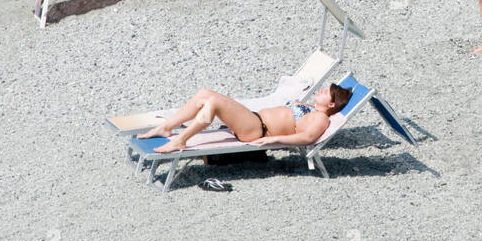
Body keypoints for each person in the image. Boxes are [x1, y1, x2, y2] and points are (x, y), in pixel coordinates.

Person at [137, 82, 353, 153]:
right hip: (253, 120)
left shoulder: (321, 118)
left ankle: (179, 140)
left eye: (327, 92)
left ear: (331, 104)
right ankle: (166, 127)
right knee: (205, 94)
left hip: (258, 130)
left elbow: (307, 138)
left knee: (213, 103)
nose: (323, 90)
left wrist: (273, 140)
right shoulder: (309, 108)